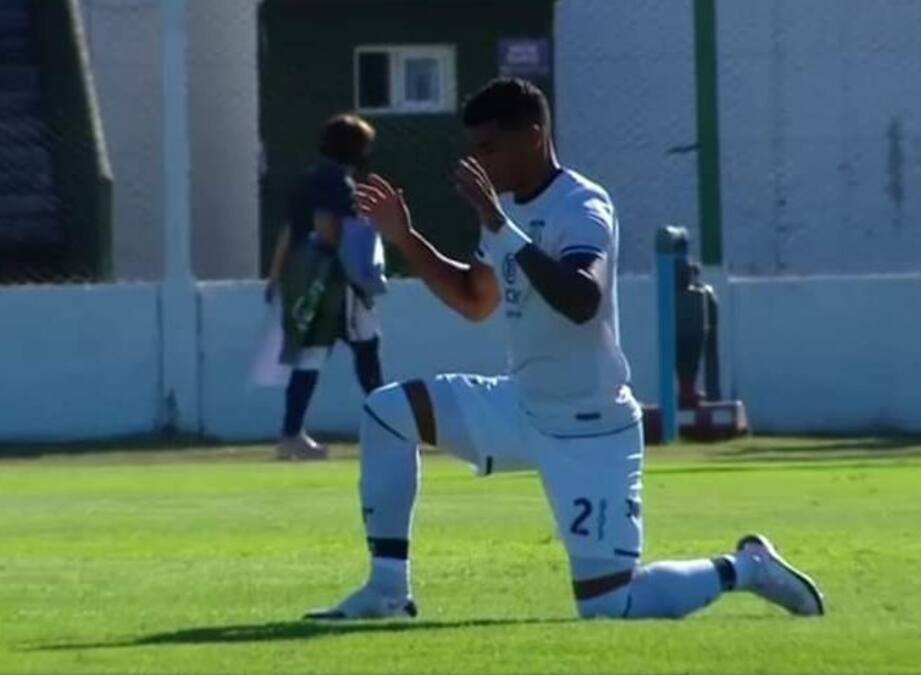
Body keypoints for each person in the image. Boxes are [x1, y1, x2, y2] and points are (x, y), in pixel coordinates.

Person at [306, 79, 824, 620]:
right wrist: (405, 238)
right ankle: (387, 591)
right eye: (474, 147)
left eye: (489, 147)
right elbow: (474, 300)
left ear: (533, 137)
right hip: (522, 404)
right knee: (389, 413)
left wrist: (500, 226)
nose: (477, 161)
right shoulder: (505, 208)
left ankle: (746, 567)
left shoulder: (582, 204)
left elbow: (582, 300)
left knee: (610, 606)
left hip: (588, 424)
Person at [266, 114, 388, 461]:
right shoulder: (338, 183)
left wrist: (275, 277)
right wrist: (358, 271)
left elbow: (289, 231)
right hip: (335, 279)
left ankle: (291, 435)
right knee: (367, 348)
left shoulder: (305, 180)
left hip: (303, 277)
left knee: (310, 355)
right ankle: (389, 426)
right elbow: (328, 227)